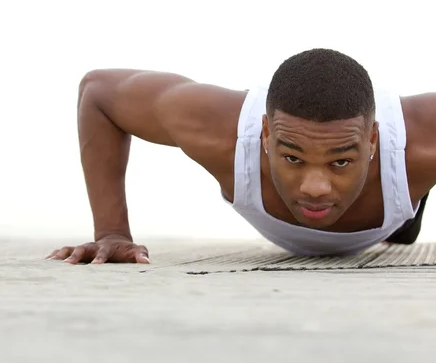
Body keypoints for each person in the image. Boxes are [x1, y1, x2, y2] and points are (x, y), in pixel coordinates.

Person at [47, 48, 435, 264]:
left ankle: (407, 216)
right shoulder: (221, 134)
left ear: (371, 143)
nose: (315, 188)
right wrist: (112, 233)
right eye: (294, 159)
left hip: (396, 196)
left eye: (340, 161)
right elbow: (98, 91)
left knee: (409, 202)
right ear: (266, 135)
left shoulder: (416, 147)